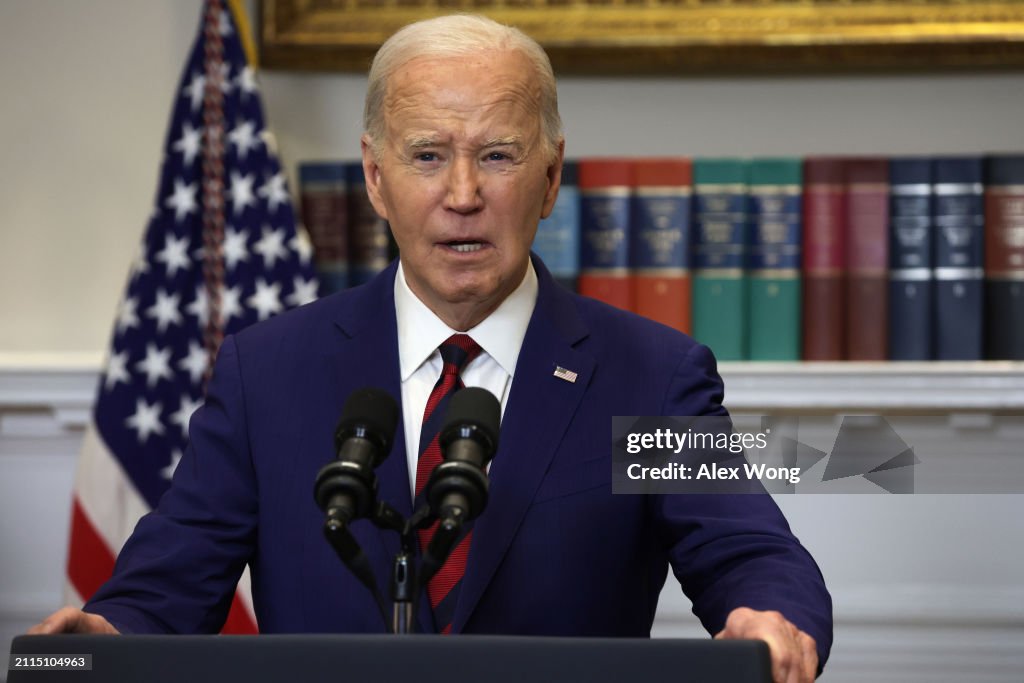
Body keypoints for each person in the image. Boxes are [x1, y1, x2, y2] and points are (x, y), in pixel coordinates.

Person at [31, 14, 831, 683]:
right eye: (426, 155)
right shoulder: (266, 372)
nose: (462, 195)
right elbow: (166, 586)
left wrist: (774, 619)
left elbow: (751, 554)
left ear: (550, 178)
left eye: (497, 155)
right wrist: (104, 633)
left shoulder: (649, 376)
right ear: (375, 178)